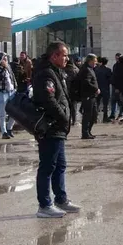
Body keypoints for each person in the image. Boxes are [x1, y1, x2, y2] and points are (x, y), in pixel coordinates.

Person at [32, 41, 81, 218]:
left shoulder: (57, 72)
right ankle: (44, 205)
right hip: (50, 127)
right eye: (64, 55)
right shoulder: (46, 74)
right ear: (54, 56)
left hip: (58, 128)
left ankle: (61, 199)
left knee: (60, 165)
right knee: (47, 166)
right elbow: (49, 100)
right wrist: (63, 117)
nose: (67, 59)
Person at [0, 52, 18, 139]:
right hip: (2, 93)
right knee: (3, 114)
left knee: (14, 112)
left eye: (6, 58)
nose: (5, 60)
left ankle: (9, 128)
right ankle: (4, 132)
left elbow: (12, 77)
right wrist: (3, 68)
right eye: (4, 58)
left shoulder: (8, 66)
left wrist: (15, 87)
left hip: (11, 91)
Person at [74, 54, 100, 139]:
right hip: (88, 95)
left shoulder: (90, 69)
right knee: (88, 114)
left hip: (92, 95)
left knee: (94, 114)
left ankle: (88, 131)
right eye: (95, 61)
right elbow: (86, 82)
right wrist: (95, 89)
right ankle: (85, 133)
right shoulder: (86, 69)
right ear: (90, 61)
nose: (96, 63)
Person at [95, 57, 112, 123]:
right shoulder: (108, 70)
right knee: (105, 104)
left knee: (97, 103)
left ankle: (95, 117)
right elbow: (110, 80)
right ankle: (105, 117)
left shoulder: (96, 69)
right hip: (105, 89)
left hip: (98, 88)